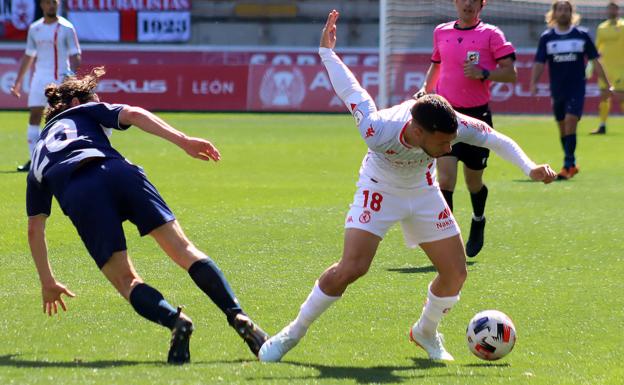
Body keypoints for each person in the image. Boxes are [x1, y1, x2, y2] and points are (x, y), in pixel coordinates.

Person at [258, 10, 556, 363]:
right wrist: (327, 52)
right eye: (443, 144)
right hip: (379, 188)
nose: (450, 149)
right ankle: (291, 335)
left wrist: (530, 166)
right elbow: (351, 90)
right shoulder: (377, 128)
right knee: (352, 267)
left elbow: (496, 139)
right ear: (417, 132)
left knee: (456, 274)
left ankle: (425, 332)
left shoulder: (451, 124)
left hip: (423, 191)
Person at [26, 67, 268, 364]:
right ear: (77, 102)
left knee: (126, 281)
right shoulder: (86, 112)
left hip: (81, 193)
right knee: (184, 250)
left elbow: (34, 229)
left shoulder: (38, 153)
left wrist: (47, 281)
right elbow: (135, 114)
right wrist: (184, 140)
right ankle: (237, 316)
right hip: (120, 172)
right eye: (94, 97)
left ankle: (175, 321)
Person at [415, 0, 517, 258]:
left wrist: (484, 73)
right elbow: (436, 65)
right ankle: (446, 239)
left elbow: (510, 73)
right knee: (446, 178)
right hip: (447, 116)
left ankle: (478, 219)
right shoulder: (441, 31)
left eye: (474, 0)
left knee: (474, 182)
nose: (468, 4)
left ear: (481, 5)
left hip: (476, 118)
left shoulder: (491, 34)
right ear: (456, 2)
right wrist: (426, 89)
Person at [529, 0, 612, 180]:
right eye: (560, 9)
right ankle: (572, 164)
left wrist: (606, 84)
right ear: (554, 13)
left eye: (567, 9)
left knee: (570, 122)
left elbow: (595, 61)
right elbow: (539, 62)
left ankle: (567, 165)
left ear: (572, 13)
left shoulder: (582, 35)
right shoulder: (547, 37)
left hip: (576, 88)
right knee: (562, 128)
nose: (563, 13)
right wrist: (534, 82)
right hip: (557, 89)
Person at [11, 0, 81, 172]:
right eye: (48, 3)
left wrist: (71, 76)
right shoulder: (34, 28)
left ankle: (64, 157)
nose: (52, 6)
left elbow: (76, 55)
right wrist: (18, 82)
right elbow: (29, 55)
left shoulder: (66, 27)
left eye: (54, 3)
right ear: (42, 5)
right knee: (34, 116)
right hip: (39, 78)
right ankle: (34, 159)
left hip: (59, 79)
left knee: (60, 118)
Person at [591, 1, 624, 135]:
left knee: (621, 97)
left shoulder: (622, 26)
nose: (612, 11)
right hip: (606, 67)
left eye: (614, 9)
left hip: (620, 68)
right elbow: (597, 48)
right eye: (610, 9)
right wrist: (592, 64)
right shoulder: (601, 27)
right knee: (604, 96)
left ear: (618, 11)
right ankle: (602, 125)